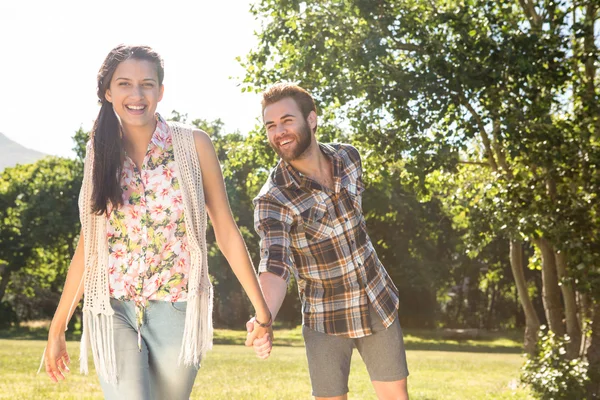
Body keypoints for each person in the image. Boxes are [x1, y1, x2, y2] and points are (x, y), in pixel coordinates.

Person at [43, 44, 273, 400]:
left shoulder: (194, 145)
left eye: (147, 84)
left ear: (161, 91)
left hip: (178, 309)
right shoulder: (98, 151)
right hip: (113, 307)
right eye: (124, 84)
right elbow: (88, 246)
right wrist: (57, 328)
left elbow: (225, 230)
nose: (137, 95)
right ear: (107, 91)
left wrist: (262, 312)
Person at [246, 83, 409, 400]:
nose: (279, 131)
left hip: (378, 299)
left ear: (311, 119)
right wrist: (263, 318)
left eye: (287, 120)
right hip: (325, 316)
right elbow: (276, 265)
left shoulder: (349, 157)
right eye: (271, 125)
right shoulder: (273, 199)